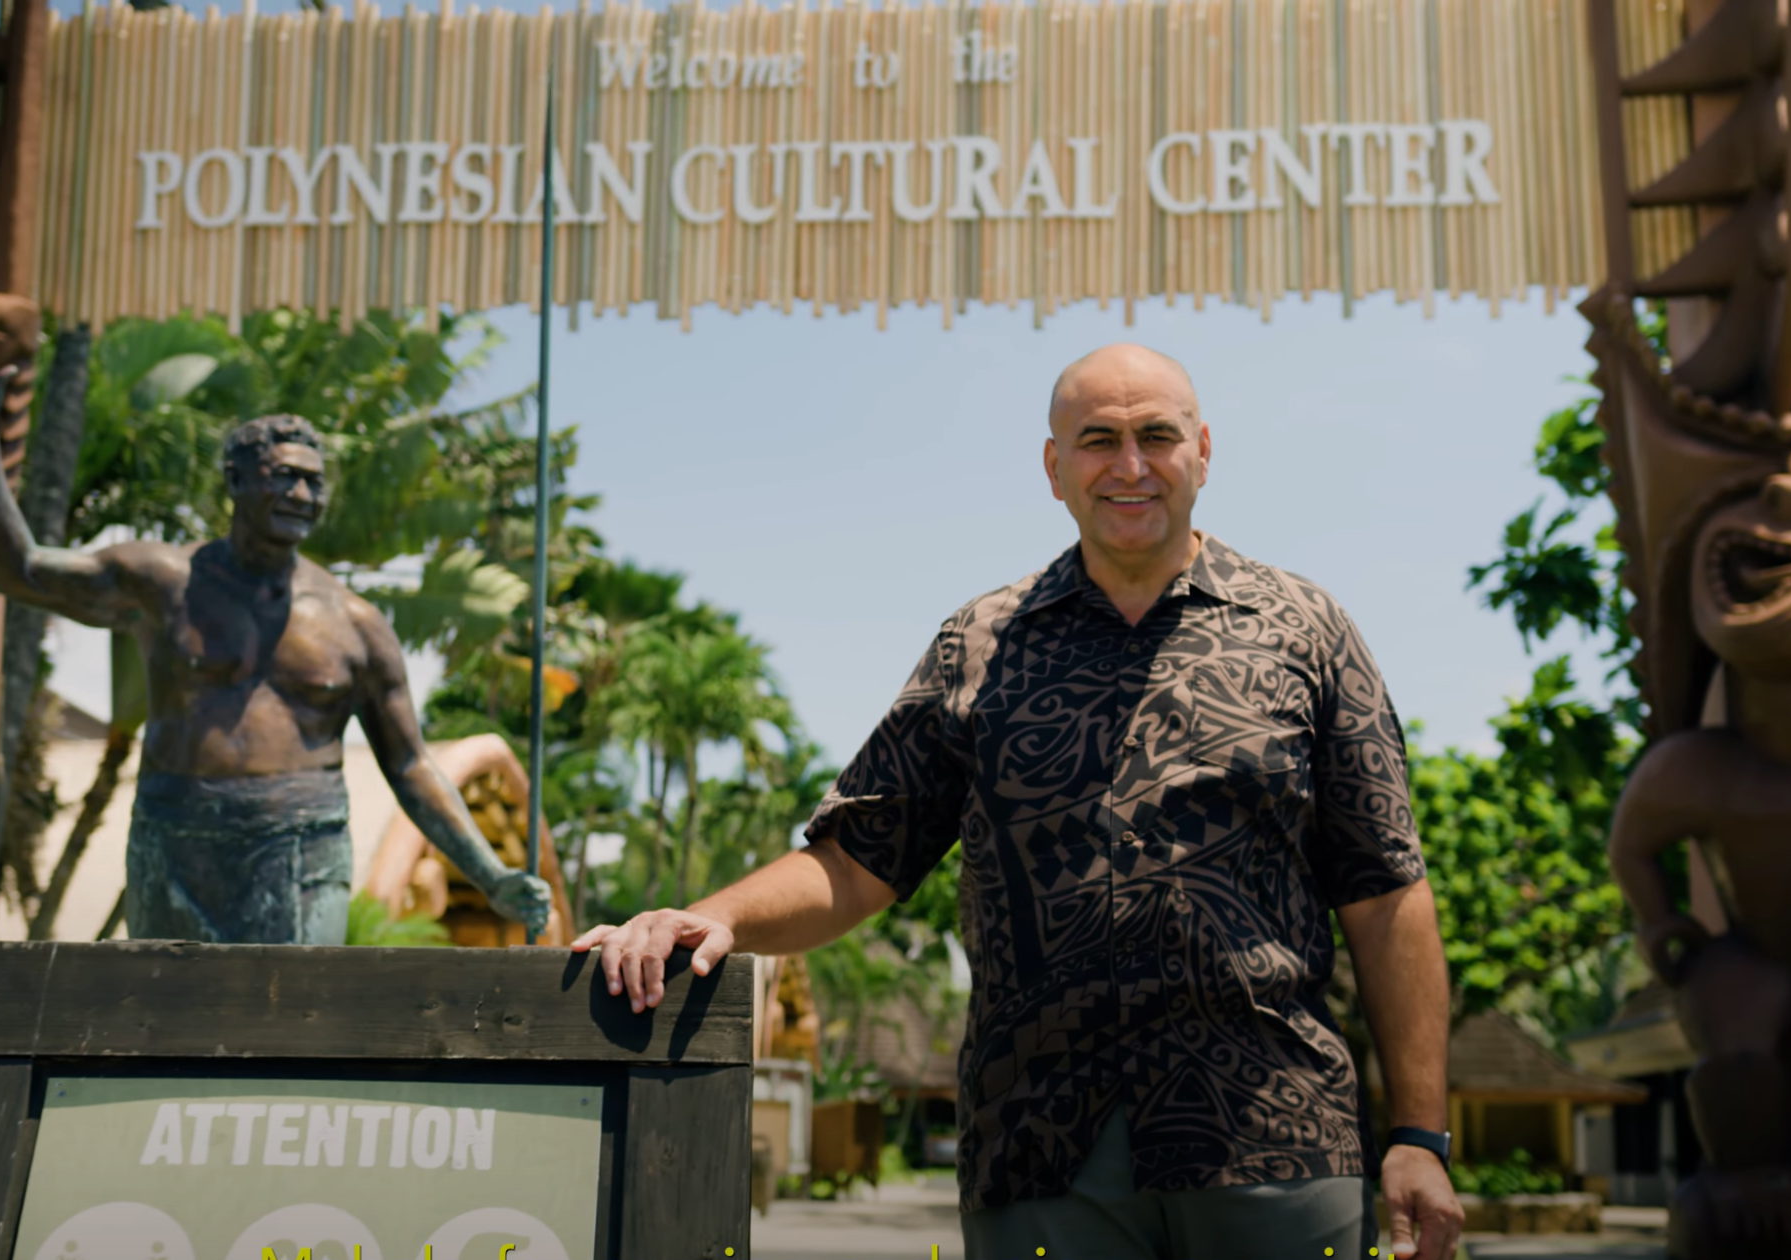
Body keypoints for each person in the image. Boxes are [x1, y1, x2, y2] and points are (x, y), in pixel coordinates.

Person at [573, 344, 1464, 1260]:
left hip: (1274, 1137)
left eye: (1156, 436)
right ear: (1053, 468)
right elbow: (859, 857)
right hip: (1040, 1151)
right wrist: (711, 917)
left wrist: (1419, 1135)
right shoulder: (979, 645)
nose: (1129, 465)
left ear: (1202, 451)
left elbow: (1387, 889)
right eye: (1098, 440)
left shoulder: (1305, 631)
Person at [0, 367, 552, 945]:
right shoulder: (162, 582)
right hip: (175, 838)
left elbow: (411, 764)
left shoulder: (355, 625)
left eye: (314, 482)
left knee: (290, 1028)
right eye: (285, 476)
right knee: (160, 1030)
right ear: (235, 479)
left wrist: (491, 874)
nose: (302, 494)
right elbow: (23, 571)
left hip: (301, 842)